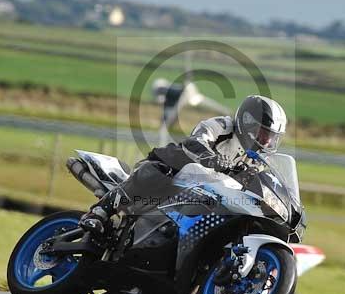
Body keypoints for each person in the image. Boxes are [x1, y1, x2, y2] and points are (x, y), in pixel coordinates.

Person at [79, 95, 287, 235]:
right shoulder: (223, 126)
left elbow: (256, 183)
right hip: (176, 168)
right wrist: (211, 158)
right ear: (248, 122)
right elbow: (195, 141)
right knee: (155, 173)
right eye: (263, 133)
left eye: (271, 137)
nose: (267, 141)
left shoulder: (256, 160)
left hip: (206, 194)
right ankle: (100, 212)